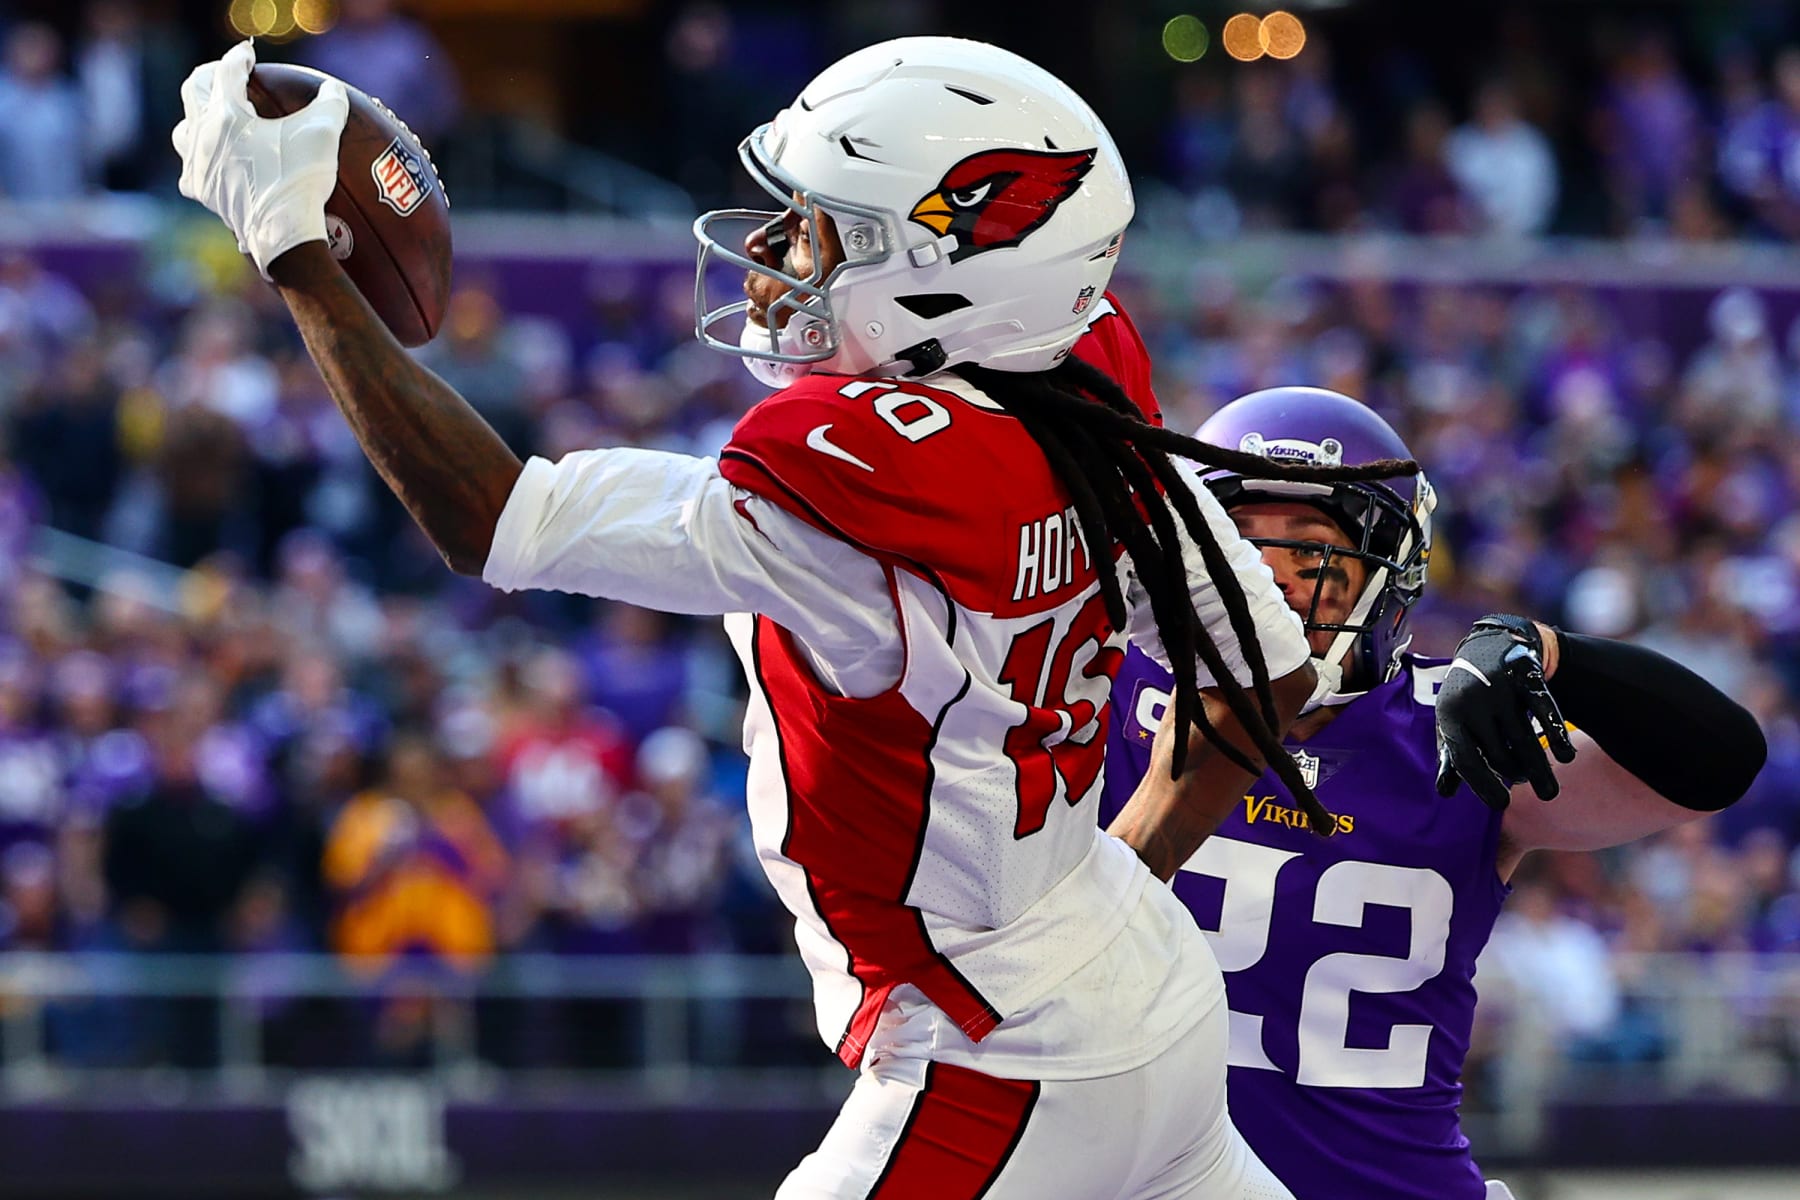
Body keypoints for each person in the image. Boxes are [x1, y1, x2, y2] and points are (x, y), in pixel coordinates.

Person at [173, 36, 1415, 1199]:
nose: (778, 252)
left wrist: (294, 255)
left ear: (947, 277)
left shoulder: (870, 479)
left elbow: (492, 518)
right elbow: (1267, 665)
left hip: (999, 1054)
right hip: (1134, 975)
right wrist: (1105, 892)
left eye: (824, 232)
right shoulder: (1082, 367)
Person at [1100, 386, 1767, 1200]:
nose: (1269, 589)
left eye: (1312, 556)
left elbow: (1719, 763)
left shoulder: (1450, 729)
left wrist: (1549, 651)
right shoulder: (1107, 688)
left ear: (1388, 575)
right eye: (1242, 552)